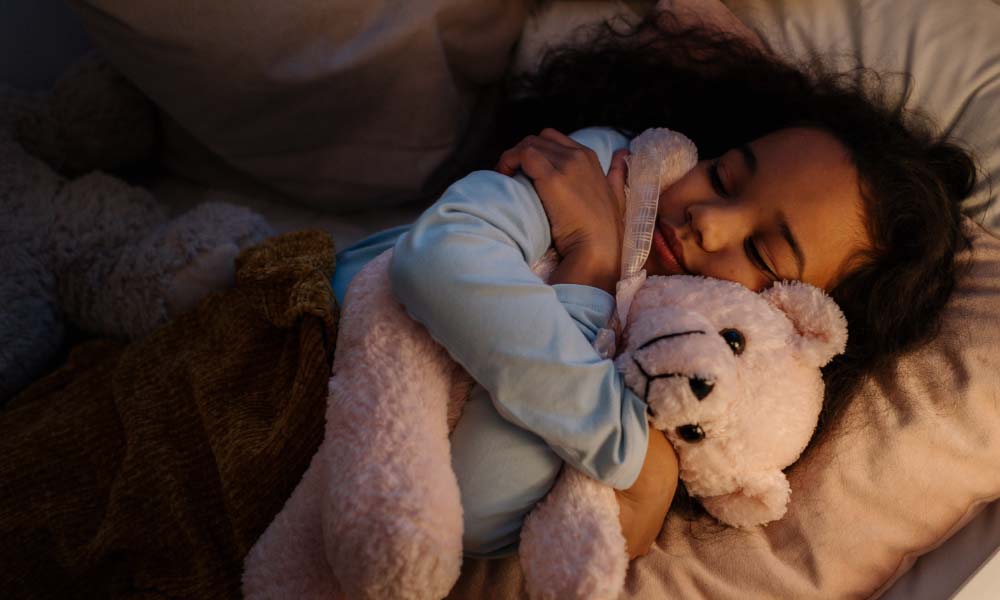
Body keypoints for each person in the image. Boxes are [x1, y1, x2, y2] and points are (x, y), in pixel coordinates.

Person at [330, 11, 976, 561]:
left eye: (760, 250)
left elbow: (467, 506)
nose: (710, 219)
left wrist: (645, 465)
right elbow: (423, 265)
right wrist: (592, 266)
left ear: (794, 321)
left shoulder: (687, 386)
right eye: (724, 177)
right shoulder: (618, 174)